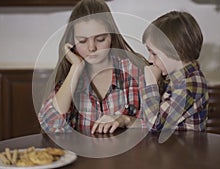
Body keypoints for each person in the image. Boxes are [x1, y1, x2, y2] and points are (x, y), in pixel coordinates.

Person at [37, 0, 148, 134]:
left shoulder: (135, 71)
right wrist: (76, 69)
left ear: (111, 36)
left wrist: (126, 120)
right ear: (73, 42)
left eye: (100, 39)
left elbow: (159, 124)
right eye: (82, 41)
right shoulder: (69, 75)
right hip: (80, 154)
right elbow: (49, 126)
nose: (92, 48)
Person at [141, 11, 209, 135]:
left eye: (154, 54)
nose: (150, 60)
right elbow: (147, 116)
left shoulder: (191, 84)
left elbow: (155, 125)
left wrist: (151, 84)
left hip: (184, 152)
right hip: (170, 150)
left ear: (177, 51)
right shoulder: (174, 79)